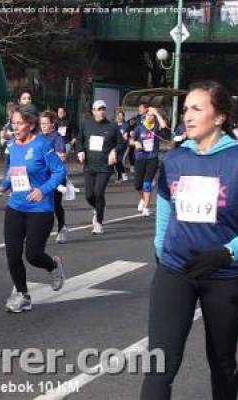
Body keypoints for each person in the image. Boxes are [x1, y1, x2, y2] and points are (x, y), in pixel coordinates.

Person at [141, 81, 238, 400]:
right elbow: (166, 209)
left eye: (197, 108)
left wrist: (228, 252)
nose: (188, 115)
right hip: (175, 272)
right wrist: (161, 252)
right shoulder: (175, 159)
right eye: (185, 109)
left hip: (224, 276)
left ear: (220, 116)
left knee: (223, 363)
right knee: (159, 367)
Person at [0, 105, 66, 313]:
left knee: (33, 254)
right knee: (12, 254)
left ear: (31, 124)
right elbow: (12, 172)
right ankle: (23, 294)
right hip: (15, 206)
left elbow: (59, 171)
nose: (15, 127)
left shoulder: (43, 145)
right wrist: (3, 185)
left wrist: (43, 190)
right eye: (13, 123)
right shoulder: (13, 146)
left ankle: (53, 265)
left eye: (19, 123)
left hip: (40, 209)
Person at [75, 100, 123, 235]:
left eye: (103, 109)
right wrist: (80, 151)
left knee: (98, 193)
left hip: (105, 166)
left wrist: (114, 151)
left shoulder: (112, 126)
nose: (101, 111)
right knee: (89, 195)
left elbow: (121, 143)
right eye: (99, 109)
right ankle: (98, 207)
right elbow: (79, 140)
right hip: (89, 165)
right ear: (93, 111)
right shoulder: (86, 124)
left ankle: (99, 222)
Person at [130, 107, 168, 217]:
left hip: (152, 158)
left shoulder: (156, 127)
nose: (150, 116)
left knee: (147, 183)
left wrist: (156, 112)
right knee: (138, 185)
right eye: (148, 115)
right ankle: (142, 198)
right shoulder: (139, 128)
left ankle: (146, 207)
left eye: (152, 115)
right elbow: (131, 140)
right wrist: (135, 143)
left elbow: (164, 126)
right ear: (145, 116)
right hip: (140, 158)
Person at [40, 110, 68, 244]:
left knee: (55, 204)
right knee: (42, 204)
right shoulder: (38, 137)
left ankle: (62, 228)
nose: (43, 126)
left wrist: (52, 156)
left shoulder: (57, 137)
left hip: (56, 177)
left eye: (46, 123)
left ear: (52, 124)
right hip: (42, 177)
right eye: (41, 123)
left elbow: (62, 156)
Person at [114, 110, 130, 183]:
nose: (119, 117)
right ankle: (123, 173)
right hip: (116, 146)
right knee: (116, 161)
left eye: (121, 115)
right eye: (118, 115)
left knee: (120, 161)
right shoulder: (114, 125)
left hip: (124, 146)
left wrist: (124, 136)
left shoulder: (126, 125)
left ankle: (119, 177)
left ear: (123, 117)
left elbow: (125, 136)